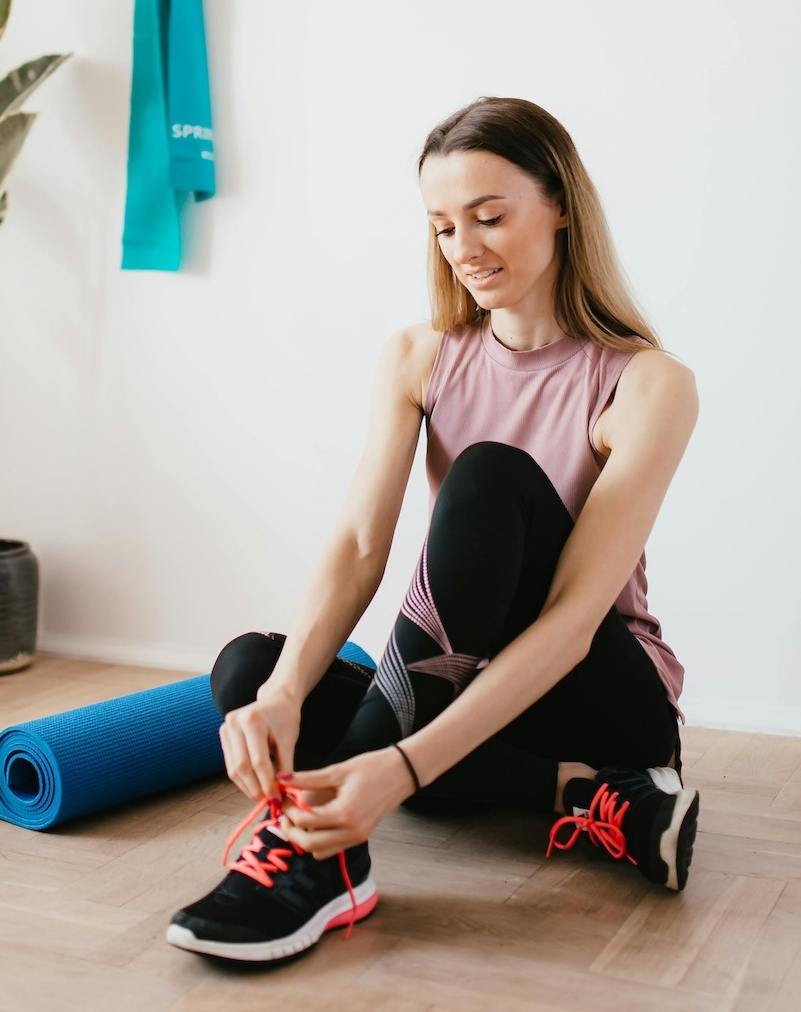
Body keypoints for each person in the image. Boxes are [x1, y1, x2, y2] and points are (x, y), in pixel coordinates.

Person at [167, 96, 700, 963]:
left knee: (488, 476)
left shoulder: (646, 384)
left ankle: (320, 862)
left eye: (488, 217)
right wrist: (282, 695)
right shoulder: (421, 355)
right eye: (443, 226)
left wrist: (404, 766)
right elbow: (360, 546)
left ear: (559, 203)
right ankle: (592, 800)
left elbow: (569, 622)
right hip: (459, 678)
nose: (464, 249)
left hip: (597, 689)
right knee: (253, 671)